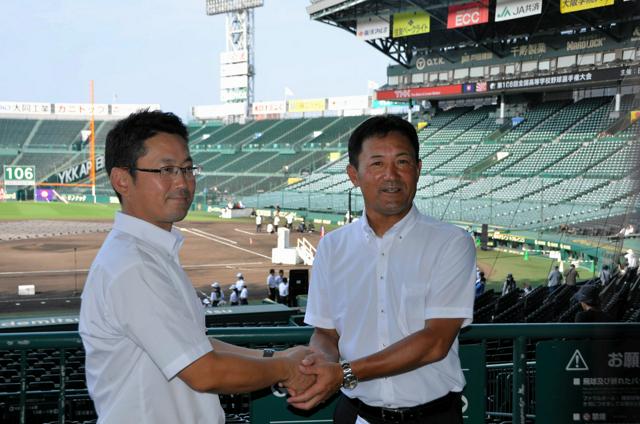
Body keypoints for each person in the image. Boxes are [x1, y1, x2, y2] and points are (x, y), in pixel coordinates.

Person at [78, 110, 312, 423]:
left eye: (188, 169)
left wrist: (277, 356)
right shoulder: (133, 264)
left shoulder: (148, 253)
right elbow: (204, 372)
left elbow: (193, 346)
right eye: (166, 170)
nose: (183, 182)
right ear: (122, 180)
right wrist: (285, 368)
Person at [289, 115, 475, 423]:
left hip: (433, 415)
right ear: (354, 174)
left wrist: (343, 372)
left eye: (402, 162)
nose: (391, 175)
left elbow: (435, 342)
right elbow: (325, 333)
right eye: (376, 163)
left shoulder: (451, 242)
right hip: (356, 412)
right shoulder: (332, 247)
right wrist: (320, 367)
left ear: (418, 169)